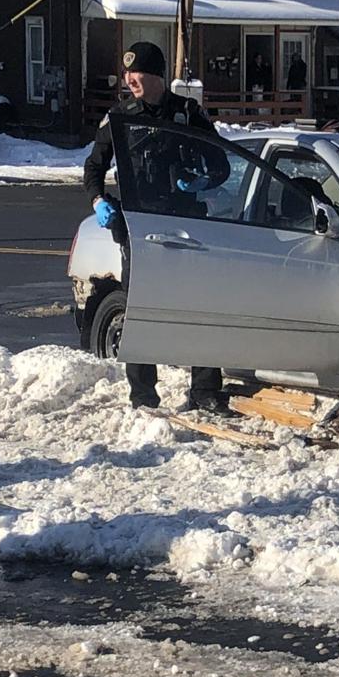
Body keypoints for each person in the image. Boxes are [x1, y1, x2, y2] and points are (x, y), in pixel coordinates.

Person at [83, 41, 233, 414]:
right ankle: (143, 395)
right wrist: (98, 201)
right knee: (141, 310)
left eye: (136, 73)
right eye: (127, 74)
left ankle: (204, 390)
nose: (129, 80)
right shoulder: (121, 116)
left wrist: (201, 181)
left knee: (198, 307)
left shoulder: (188, 114)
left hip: (186, 225)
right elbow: (94, 167)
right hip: (140, 227)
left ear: (156, 75)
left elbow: (222, 163)